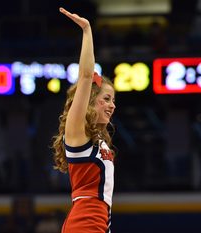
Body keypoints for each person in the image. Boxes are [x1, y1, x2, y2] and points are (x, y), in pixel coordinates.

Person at [51, 7, 116, 233]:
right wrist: (87, 30)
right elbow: (87, 76)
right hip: (83, 226)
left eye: (113, 100)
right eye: (106, 99)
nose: (112, 105)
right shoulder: (77, 131)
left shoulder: (98, 139)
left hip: (98, 224)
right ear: (89, 101)